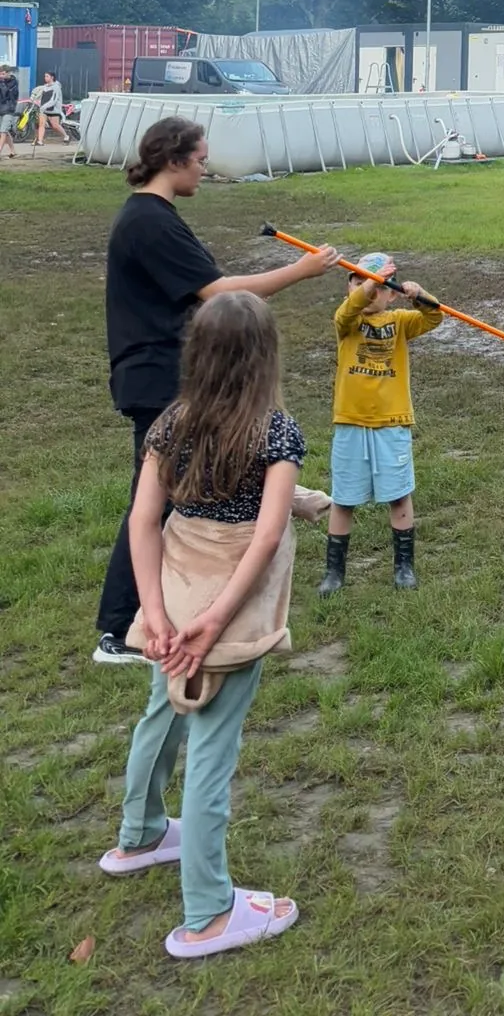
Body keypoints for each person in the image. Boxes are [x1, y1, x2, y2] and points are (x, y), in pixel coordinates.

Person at [98, 291, 304, 957]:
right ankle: (210, 912)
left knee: (162, 708)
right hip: (228, 601)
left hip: (177, 588)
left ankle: (141, 833)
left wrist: (155, 616)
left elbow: (142, 520)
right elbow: (265, 536)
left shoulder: (169, 424)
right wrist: (216, 622)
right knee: (214, 747)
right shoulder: (278, 433)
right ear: (263, 359)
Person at [94, 117, 338, 666]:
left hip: (163, 371)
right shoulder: (149, 221)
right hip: (154, 374)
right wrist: (300, 271)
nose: (205, 168)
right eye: (201, 158)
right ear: (175, 159)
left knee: (171, 490)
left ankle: (280, 493)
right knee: (150, 505)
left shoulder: (156, 217)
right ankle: (115, 631)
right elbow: (216, 292)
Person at [317, 254, 442, 596]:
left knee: (399, 496)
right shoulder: (347, 321)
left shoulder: (401, 320)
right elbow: (347, 311)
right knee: (344, 499)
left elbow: (434, 317)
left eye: (380, 287)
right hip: (351, 423)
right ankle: (334, 572)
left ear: (392, 294)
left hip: (392, 423)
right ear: (350, 288)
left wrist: (419, 294)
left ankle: (404, 567)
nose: (368, 291)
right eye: (358, 282)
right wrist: (371, 282)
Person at [30, 68, 67, 147]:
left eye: (47, 76)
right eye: (45, 76)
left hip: (54, 110)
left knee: (55, 126)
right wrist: (34, 98)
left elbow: (53, 100)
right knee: (41, 124)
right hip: (44, 109)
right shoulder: (44, 87)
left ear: (52, 77)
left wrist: (44, 106)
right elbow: (37, 92)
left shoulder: (56, 87)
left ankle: (66, 136)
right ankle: (40, 141)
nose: (45, 78)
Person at [0, 65, 18, 158]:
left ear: (8, 73)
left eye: (3, 74)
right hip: (0, 109)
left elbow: (6, 93)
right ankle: (13, 151)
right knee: (5, 132)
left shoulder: (13, 82)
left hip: (9, 109)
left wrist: (2, 82)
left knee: (3, 131)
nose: (1, 76)